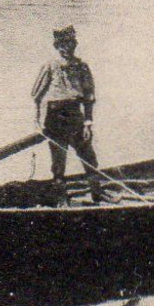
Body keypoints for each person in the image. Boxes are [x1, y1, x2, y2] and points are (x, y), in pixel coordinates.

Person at [31, 26, 101, 204]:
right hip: (55, 117)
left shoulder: (82, 66)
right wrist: (37, 122)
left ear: (74, 45)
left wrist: (88, 123)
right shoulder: (50, 66)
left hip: (75, 115)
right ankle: (61, 199)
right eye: (62, 45)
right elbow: (36, 96)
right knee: (58, 161)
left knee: (88, 157)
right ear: (57, 46)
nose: (67, 48)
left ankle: (97, 195)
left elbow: (89, 96)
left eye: (70, 44)